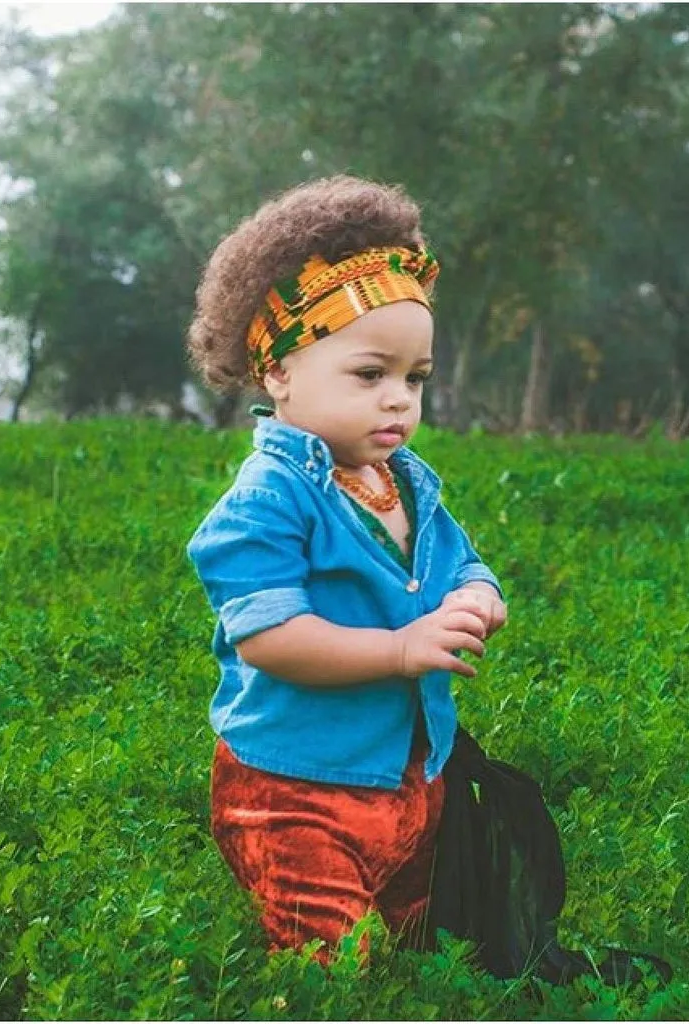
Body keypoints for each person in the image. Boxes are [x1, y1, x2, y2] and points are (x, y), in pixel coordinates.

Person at [184, 175, 507, 963]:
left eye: (415, 378)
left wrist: (477, 595)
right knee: (334, 959)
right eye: (370, 375)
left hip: (408, 773)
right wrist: (401, 651)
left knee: (421, 939)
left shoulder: (408, 481)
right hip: (296, 789)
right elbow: (271, 638)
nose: (399, 400)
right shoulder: (265, 500)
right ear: (281, 373)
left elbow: (464, 563)